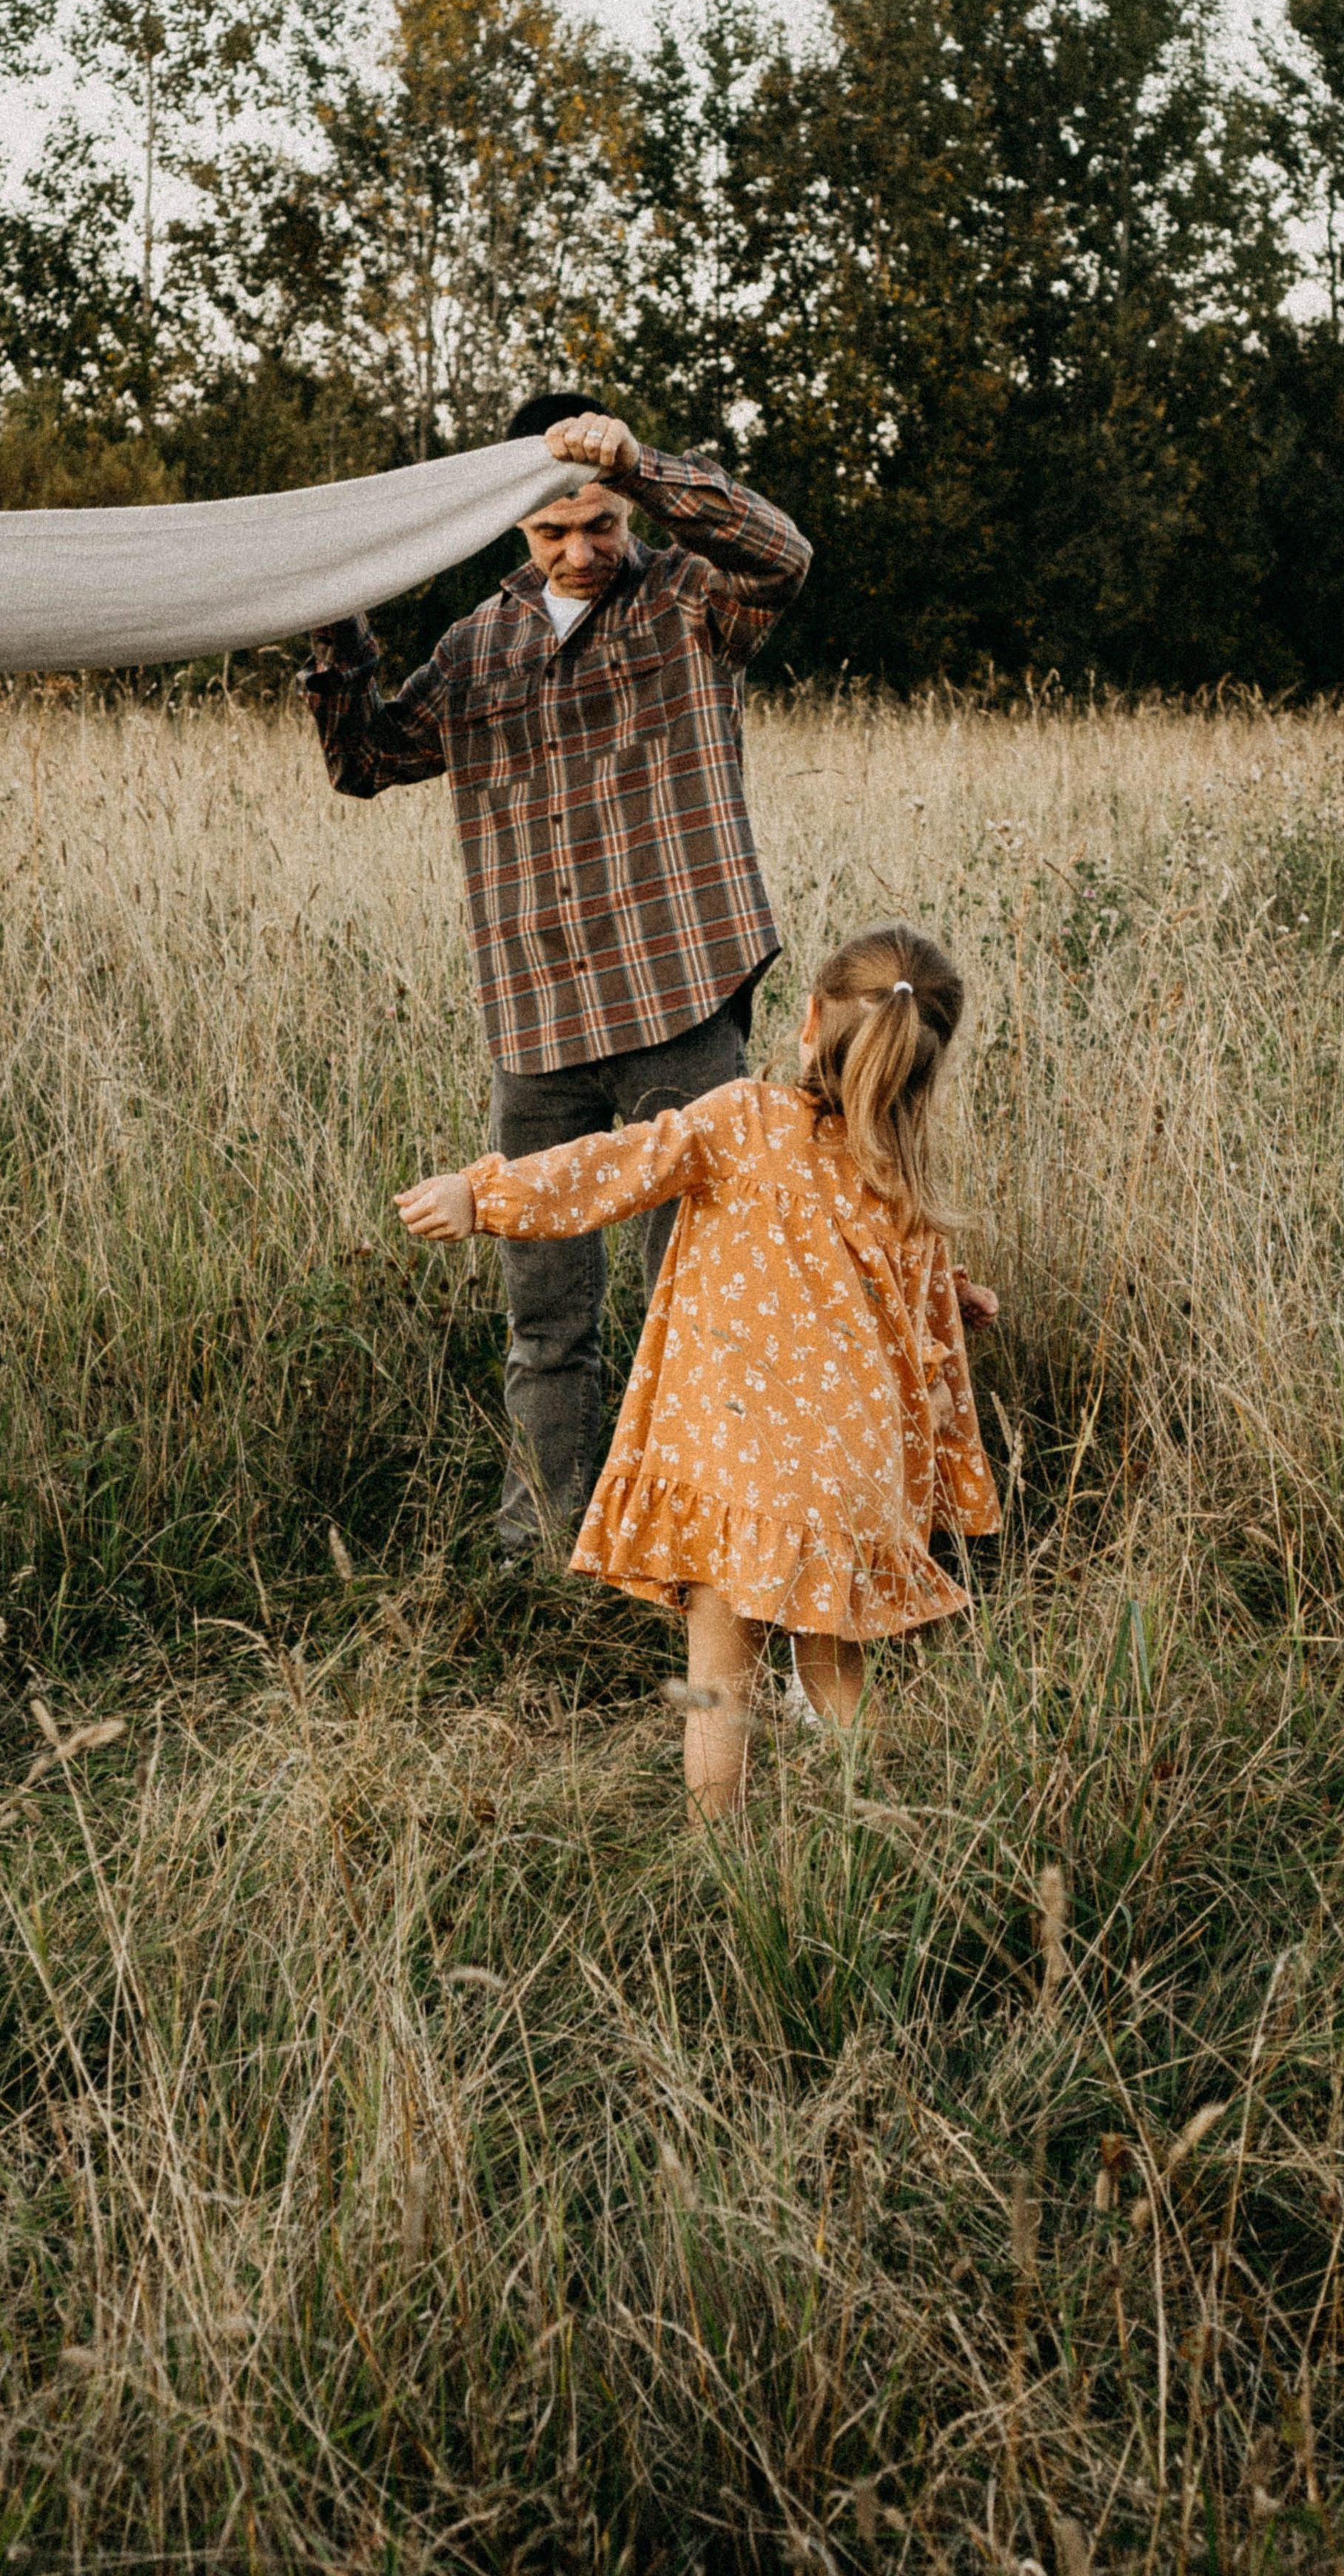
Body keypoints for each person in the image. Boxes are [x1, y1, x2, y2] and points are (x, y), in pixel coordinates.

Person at [303, 397, 811, 1554]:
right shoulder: (479, 645)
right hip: (533, 1022)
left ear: (625, 506)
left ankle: (710, 1542)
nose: (581, 550)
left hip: (680, 999)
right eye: (551, 532)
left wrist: (642, 461)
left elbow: (783, 552)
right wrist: (332, 615)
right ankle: (544, 1548)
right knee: (547, 1323)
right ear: (512, 532)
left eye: (598, 523)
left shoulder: (692, 597)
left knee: (704, 1304)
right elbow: (368, 760)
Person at [394, 924, 1003, 1824]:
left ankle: (719, 1853)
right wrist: (954, 1300)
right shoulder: (900, 1178)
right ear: (922, 1066)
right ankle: (866, 1842)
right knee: (837, 1676)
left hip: (738, 1466)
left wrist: (482, 1196)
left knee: (719, 1681)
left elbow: (612, 1167)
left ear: (809, 1019)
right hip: (847, 1487)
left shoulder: (741, 1119)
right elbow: (909, 1322)